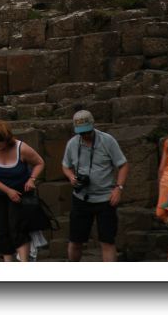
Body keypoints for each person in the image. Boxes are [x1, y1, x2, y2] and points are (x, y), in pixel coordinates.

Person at [62, 110, 129, 261]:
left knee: (107, 241)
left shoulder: (107, 141)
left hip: (106, 198)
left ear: (93, 126)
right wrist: (71, 176)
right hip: (81, 197)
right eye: (81, 133)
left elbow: (123, 165)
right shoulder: (72, 144)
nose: (85, 135)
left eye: (87, 131)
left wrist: (119, 188)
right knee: (75, 241)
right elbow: (65, 166)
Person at [0, 120, 45, 262]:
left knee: (17, 228)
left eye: (0, 139)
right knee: (1, 230)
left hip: (20, 193)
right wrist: (8, 191)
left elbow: (40, 162)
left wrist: (32, 179)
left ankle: (24, 261)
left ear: (7, 138)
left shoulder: (21, 148)